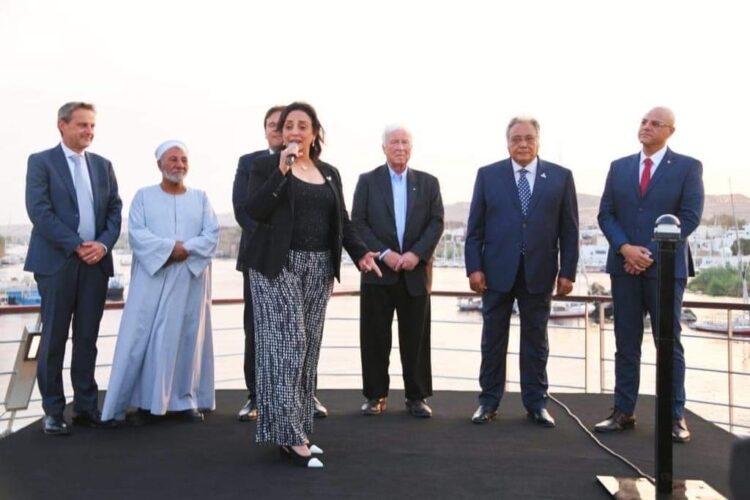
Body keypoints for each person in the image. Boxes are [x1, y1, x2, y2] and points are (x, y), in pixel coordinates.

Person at [244, 102, 381, 468]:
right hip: (277, 265)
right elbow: (254, 210)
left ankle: (297, 430)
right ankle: (289, 436)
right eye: (288, 125)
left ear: (315, 132)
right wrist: (281, 170)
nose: (294, 131)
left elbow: (343, 221)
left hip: (319, 265)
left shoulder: (329, 173)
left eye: (302, 125)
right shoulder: (264, 167)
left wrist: (361, 254)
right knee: (289, 343)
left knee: (308, 349)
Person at [595, 107, 704, 443]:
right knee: (626, 343)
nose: (646, 127)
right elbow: (606, 214)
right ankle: (623, 412)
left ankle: (674, 417)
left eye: (655, 123)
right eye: (643, 121)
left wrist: (648, 255)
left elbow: (689, 217)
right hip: (623, 268)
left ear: (670, 131)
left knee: (668, 344)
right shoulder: (619, 167)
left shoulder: (688, 167)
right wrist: (625, 249)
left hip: (666, 270)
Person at [465, 116, 579, 428]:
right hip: (496, 273)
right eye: (516, 139)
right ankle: (488, 402)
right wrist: (474, 268)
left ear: (538, 141)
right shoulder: (488, 175)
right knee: (492, 341)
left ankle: (536, 404)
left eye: (529, 138)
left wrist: (567, 272)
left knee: (536, 342)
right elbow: (474, 229)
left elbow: (569, 230)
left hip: (539, 272)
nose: (523, 144)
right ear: (507, 143)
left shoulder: (560, 177)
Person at [101, 140, 219, 423]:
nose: (179, 165)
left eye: (183, 160)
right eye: (173, 159)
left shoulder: (201, 198)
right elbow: (137, 235)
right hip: (153, 279)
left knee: (188, 339)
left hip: (190, 281)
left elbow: (211, 234)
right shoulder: (143, 197)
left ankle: (184, 401)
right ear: (159, 164)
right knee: (147, 338)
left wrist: (184, 250)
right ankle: (147, 402)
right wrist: (169, 249)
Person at [24, 102, 122, 435]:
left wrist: (103, 244)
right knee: (53, 339)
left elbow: (114, 211)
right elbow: (39, 211)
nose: (89, 131)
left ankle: (86, 408)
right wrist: (77, 245)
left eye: (92, 125)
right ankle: (53, 411)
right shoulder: (41, 162)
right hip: (57, 264)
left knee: (87, 339)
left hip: (96, 264)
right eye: (82, 125)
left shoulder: (103, 166)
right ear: (62, 125)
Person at [233, 105, 329, 422]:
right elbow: (246, 210)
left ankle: (301, 399)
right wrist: (271, 241)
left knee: (303, 336)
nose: (282, 130)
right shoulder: (253, 164)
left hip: (304, 263)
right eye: (276, 125)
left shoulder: (319, 170)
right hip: (264, 260)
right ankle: (257, 396)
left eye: (287, 124)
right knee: (260, 332)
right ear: (267, 130)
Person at [351, 125, 444, 418]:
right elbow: (358, 222)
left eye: (405, 142)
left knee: (416, 339)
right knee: (375, 338)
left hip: (415, 274)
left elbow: (436, 223)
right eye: (394, 142)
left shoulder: (429, 183)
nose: (400, 147)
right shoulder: (367, 181)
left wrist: (416, 254)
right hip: (378, 273)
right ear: (384, 148)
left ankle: (416, 397)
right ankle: (375, 396)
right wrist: (385, 253)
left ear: (411, 148)